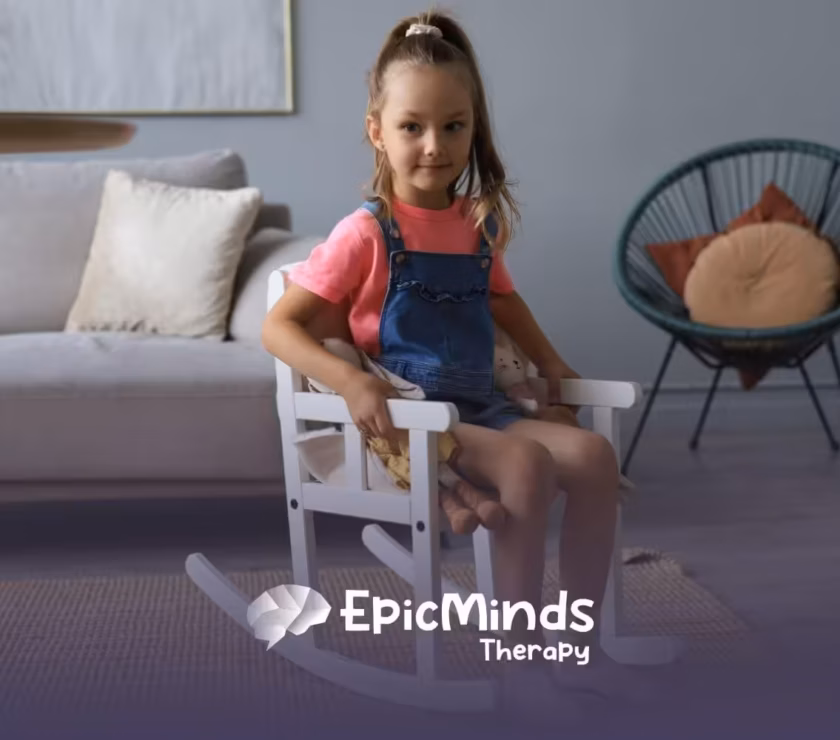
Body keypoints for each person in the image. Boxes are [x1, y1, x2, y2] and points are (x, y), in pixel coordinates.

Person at [262, 9, 649, 720]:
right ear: (378, 130)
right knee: (528, 467)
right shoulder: (365, 232)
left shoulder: (477, 223)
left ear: (475, 129)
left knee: (591, 456)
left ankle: (576, 646)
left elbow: (505, 305)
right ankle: (518, 661)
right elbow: (279, 328)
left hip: (485, 408)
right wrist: (350, 380)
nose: (434, 147)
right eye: (412, 126)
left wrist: (555, 371)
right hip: (415, 423)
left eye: (453, 126)